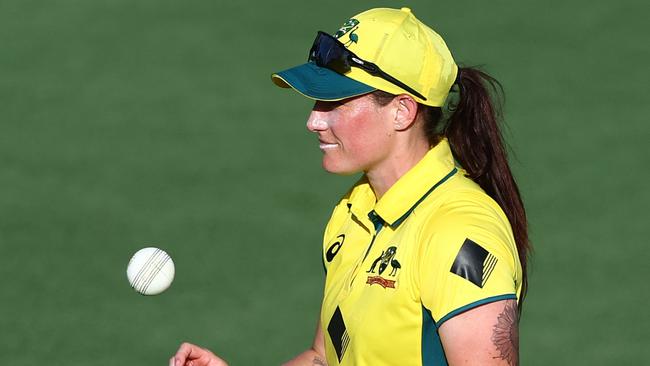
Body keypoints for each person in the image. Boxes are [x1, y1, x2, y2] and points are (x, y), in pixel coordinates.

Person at [171, 7, 530, 366]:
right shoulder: (354, 210)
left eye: (335, 101)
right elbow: (324, 357)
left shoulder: (457, 232)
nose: (313, 120)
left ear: (402, 111)